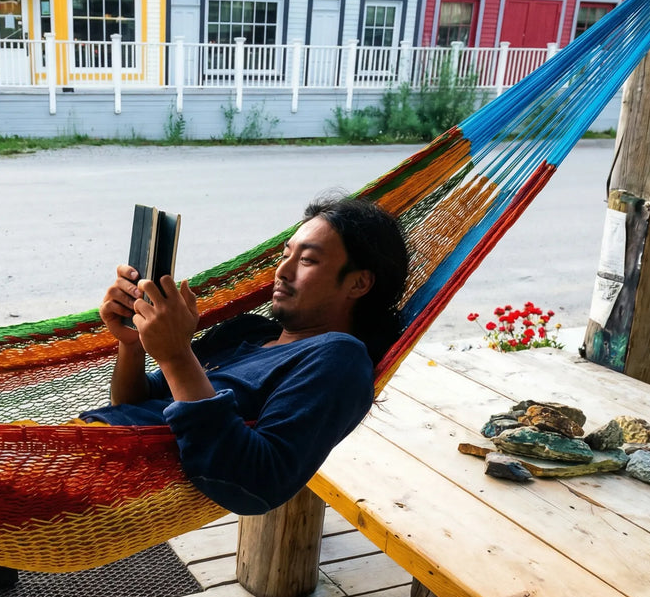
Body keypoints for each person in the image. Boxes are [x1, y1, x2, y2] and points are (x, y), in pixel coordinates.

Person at [81, 194, 409, 514]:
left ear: (359, 283)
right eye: (285, 255)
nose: (282, 271)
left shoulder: (339, 359)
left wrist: (176, 355)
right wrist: (134, 343)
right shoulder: (245, 331)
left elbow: (259, 483)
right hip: (75, 448)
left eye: (307, 260)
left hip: (100, 472)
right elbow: (130, 404)